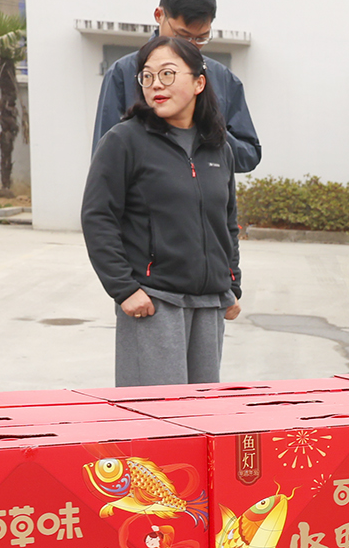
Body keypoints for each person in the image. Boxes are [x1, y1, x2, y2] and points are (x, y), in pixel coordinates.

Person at [83, 36, 243, 387]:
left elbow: (227, 222)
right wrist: (124, 289)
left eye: (168, 74)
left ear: (199, 82)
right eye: (147, 76)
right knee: (159, 412)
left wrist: (232, 284)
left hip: (209, 303)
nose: (156, 84)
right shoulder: (124, 141)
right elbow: (98, 217)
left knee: (202, 411)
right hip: (154, 302)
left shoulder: (219, 148)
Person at [92, 0, 261, 172]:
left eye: (201, 38)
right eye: (182, 36)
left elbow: (249, 156)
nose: (191, 46)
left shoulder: (223, 78)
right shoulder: (123, 73)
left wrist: (209, 127)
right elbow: (104, 163)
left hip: (207, 191)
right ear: (159, 15)